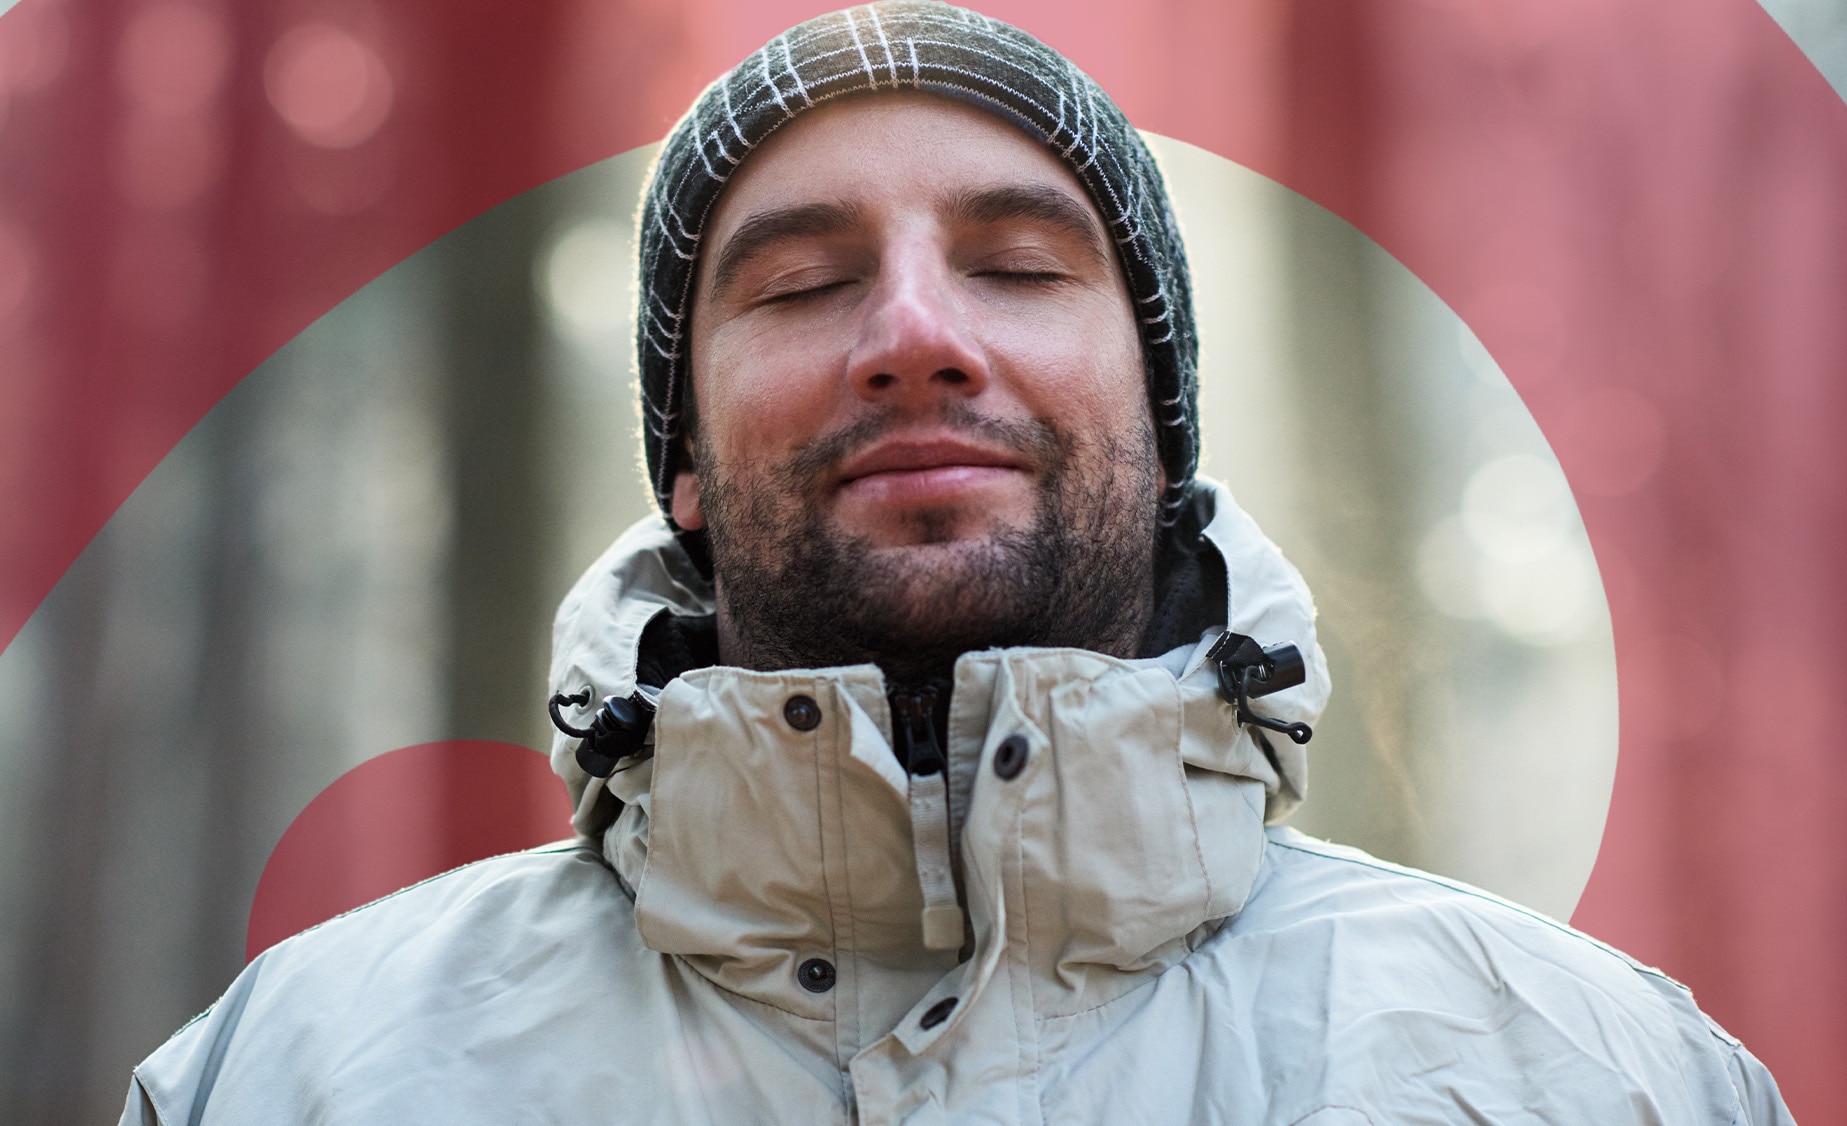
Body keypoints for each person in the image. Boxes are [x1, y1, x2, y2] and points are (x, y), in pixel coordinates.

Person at [123, 4, 1794, 1122]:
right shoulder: (301, 1075)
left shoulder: (1593, 1075)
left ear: (1160, 421)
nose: (915, 337)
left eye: (1012, 262)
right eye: (796, 284)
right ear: (685, 464)